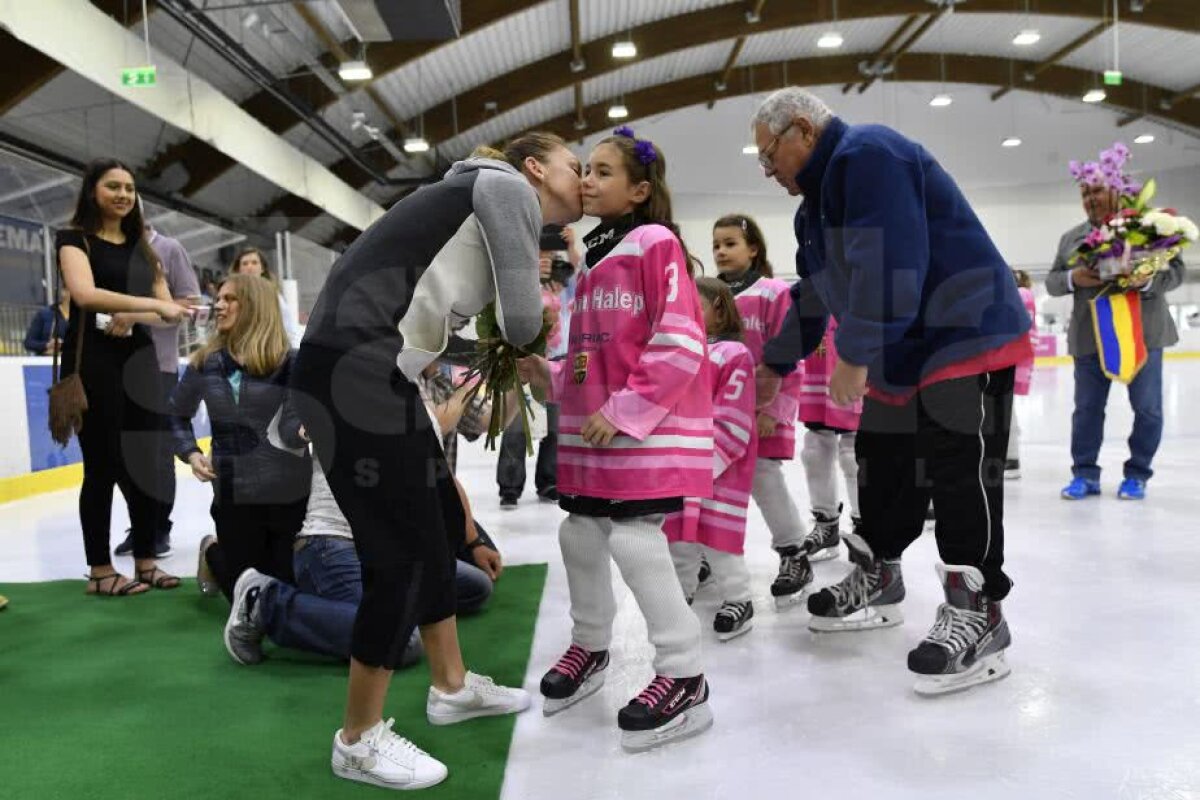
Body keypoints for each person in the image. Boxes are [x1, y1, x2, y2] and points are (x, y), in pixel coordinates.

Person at [291, 132, 583, 791]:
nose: (585, 179)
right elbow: (521, 322)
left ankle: (450, 686)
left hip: (373, 369)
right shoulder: (506, 188)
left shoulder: (469, 192)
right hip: (357, 370)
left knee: (432, 534)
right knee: (397, 555)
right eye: (575, 166)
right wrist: (569, 259)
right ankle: (357, 740)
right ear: (535, 168)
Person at [751, 88, 1030, 695]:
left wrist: (853, 354)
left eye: (769, 155)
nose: (768, 170)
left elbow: (894, 261)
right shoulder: (812, 211)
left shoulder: (869, 154)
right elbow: (815, 294)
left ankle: (980, 610)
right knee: (882, 465)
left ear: (803, 130)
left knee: (958, 471)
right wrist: (774, 362)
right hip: (902, 350)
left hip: (961, 333)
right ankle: (879, 576)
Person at [518, 126, 714, 752]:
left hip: (639, 430)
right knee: (579, 533)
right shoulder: (595, 258)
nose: (587, 180)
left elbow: (680, 338)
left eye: (603, 171)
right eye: (586, 169)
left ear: (639, 191)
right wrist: (549, 375)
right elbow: (591, 357)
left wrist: (628, 408)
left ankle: (684, 674)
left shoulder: (655, 242)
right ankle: (591, 645)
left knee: (634, 540)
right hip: (593, 434)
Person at [56, 158, 192, 597]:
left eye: (129, 189)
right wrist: (149, 306)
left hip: (140, 361)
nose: (123, 195)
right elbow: (84, 294)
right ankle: (100, 569)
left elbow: (168, 308)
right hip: (93, 363)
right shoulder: (74, 240)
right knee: (102, 466)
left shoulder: (143, 248)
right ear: (92, 191)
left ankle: (146, 561)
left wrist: (136, 314)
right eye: (113, 186)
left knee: (146, 463)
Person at [169, 273, 311, 610]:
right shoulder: (205, 362)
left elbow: (292, 426)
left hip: (289, 493)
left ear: (255, 306)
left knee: (283, 594)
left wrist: (308, 429)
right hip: (233, 492)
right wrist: (191, 453)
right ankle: (211, 550)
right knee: (250, 602)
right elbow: (175, 414)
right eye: (218, 298)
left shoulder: (291, 361)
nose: (218, 305)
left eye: (229, 299)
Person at [1046, 176, 1185, 501]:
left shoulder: (1149, 229)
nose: (1090, 198)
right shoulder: (1072, 238)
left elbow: (1176, 272)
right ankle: (1084, 474)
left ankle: (1137, 474)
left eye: (1096, 190)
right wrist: (1073, 278)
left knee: (1148, 410)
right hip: (1090, 336)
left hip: (1143, 334)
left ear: (1116, 191)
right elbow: (1052, 282)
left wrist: (1144, 279)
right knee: (1087, 410)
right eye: (1084, 193)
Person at [711, 213, 813, 608]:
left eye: (730, 243)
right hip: (720, 414)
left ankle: (794, 552)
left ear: (753, 248)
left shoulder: (773, 292)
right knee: (710, 483)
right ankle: (706, 555)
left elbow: (791, 355)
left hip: (763, 413)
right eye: (716, 244)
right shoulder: (711, 295)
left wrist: (775, 410)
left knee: (764, 479)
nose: (721, 251)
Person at [666, 277, 757, 641]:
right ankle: (679, 593)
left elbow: (735, 414)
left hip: (719, 463)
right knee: (677, 535)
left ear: (719, 309)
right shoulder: (678, 351)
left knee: (718, 537)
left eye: (696, 307)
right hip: (679, 461)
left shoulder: (734, 354)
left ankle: (738, 598)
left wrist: (709, 460)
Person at [113, 221, 200, 558]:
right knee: (123, 452)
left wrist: (135, 316)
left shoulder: (168, 248)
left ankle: (158, 526)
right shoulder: (108, 250)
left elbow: (187, 305)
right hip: (115, 366)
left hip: (158, 367)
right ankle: (142, 523)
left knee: (158, 452)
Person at [496, 237, 562, 508]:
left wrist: (553, 317)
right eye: (540, 255)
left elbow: (557, 334)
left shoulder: (557, 289)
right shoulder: (515, 286)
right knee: (515, 426)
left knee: (554, 426)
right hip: (520, 361)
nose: (544, 261)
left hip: (552, 361)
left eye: (549, 256)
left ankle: (549, 481)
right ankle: (509, 486)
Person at [796, 317, 863, 551]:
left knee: (853, 454)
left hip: (857, 364)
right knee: (814, 451)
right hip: (817, 363)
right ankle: (826, 523)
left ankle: (864, 527)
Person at [230, 247, 301, 346]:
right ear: (238, 269)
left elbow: (288, 327)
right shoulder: (230, 294)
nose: (249, 267)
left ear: (262, 268)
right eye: (245, 263)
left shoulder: (273, 295)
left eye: (254, 263)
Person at [1007, 270, 1038, 480]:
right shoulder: (1025, 296)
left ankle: (1010, 457)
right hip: (1015, 357)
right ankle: (1010, 456)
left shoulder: (1020, 296)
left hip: (1006, 358)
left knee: (1003, 409)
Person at [23, 286, 69, 355]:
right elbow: (28, 342)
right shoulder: (45, 314)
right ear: (64, 292)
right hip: (49, 359)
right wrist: (47, 345)